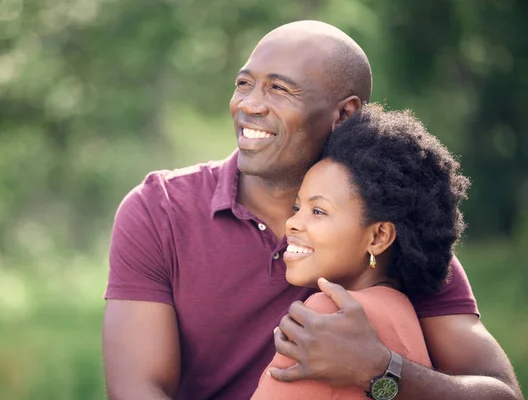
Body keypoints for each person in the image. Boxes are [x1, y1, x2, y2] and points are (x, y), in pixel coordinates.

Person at [102, 21, 523, 400]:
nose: (248, 104)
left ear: (345, 114)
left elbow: (501, 393)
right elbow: (137, 389)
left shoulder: (388, 229)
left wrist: (379, 369)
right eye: (244, 83)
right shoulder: (158, 210)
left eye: (279, 89)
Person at [251, 104, 466, 399]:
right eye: (297, 208)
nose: (292, 223)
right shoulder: (404, 313)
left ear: (378, 236)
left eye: (318, 210)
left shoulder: (325, 316)